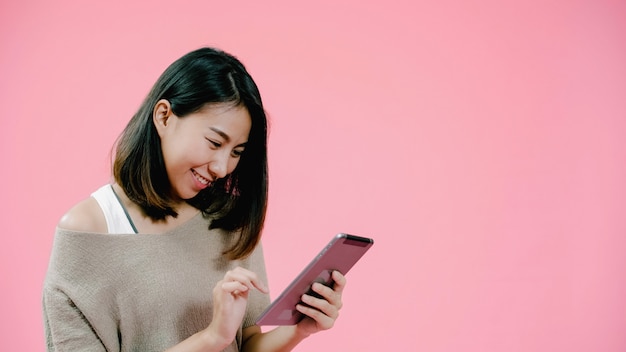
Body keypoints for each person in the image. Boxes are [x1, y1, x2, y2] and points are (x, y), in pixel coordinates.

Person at [42, 47, 347, 352]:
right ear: (164, 116)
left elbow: (248, 342)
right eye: (214, 142)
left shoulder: (230, 219)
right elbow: (221, 338)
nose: (222, 167)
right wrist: (211, 338)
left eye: (236, 152)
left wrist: (298, 329)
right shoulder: (88, 231)